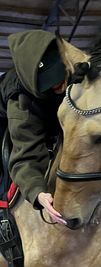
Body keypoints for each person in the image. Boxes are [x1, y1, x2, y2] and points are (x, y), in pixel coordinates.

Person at [0, 29, 68, 225]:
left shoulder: (73, 67)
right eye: (50, 83)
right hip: (7, 118)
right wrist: (38, 193)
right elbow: (25, 153)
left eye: (59, 74)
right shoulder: (21, 101)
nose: (59, 85)